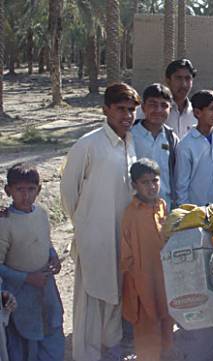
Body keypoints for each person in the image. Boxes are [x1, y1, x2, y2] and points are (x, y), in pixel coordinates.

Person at [60, 83, 140, 361]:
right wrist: (85, 225)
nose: (127, 115)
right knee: (90, 298)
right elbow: (69, 192)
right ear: (106, 109)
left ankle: (112, 348)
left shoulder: (131, 144)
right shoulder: (89, 144)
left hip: (122, 236)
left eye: (131, 110)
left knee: (115, 292)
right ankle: (86, 355)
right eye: (120, 109)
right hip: (94, 235)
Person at [0, 163, 64, 361]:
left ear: (39, 190)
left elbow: (46, 242)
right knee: (23, 343)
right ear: (8, 191)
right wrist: (26, 278)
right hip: (19, 294)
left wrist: (53, 256)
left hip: (45, 288)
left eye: (31, 189)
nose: (25, 195)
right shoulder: (5, 222)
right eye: (19, 189)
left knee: (51, 331)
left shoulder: (42, 214)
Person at [120, 159, 178, 361]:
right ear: (134, 185)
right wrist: (136, 279)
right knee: (146, 321)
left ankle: (168, 353)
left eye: (155, 180)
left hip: (164, 275)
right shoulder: (131, 213)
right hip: (142, 278)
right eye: (145, 182)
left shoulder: (162, 205)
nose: (152, 186)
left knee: (166, 315)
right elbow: (126, 254)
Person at [175, 90, 213, 207]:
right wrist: (186, 213)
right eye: (211, 109)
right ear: (197, 113)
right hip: (198, 212)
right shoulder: (186, 145)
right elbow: (181, 185)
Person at [131, 84, 179, 210]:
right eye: (153, 104)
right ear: (143, 107)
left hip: (164, 207)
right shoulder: (130, 135)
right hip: (136, 208)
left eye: (164, 105)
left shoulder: (171, 137)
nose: (158, 110)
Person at [136, 59, 197, 139]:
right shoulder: (148, 110)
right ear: (168, 80)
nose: (184, 84)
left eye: (188, 78)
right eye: (178, 78)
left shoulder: (196, 114)